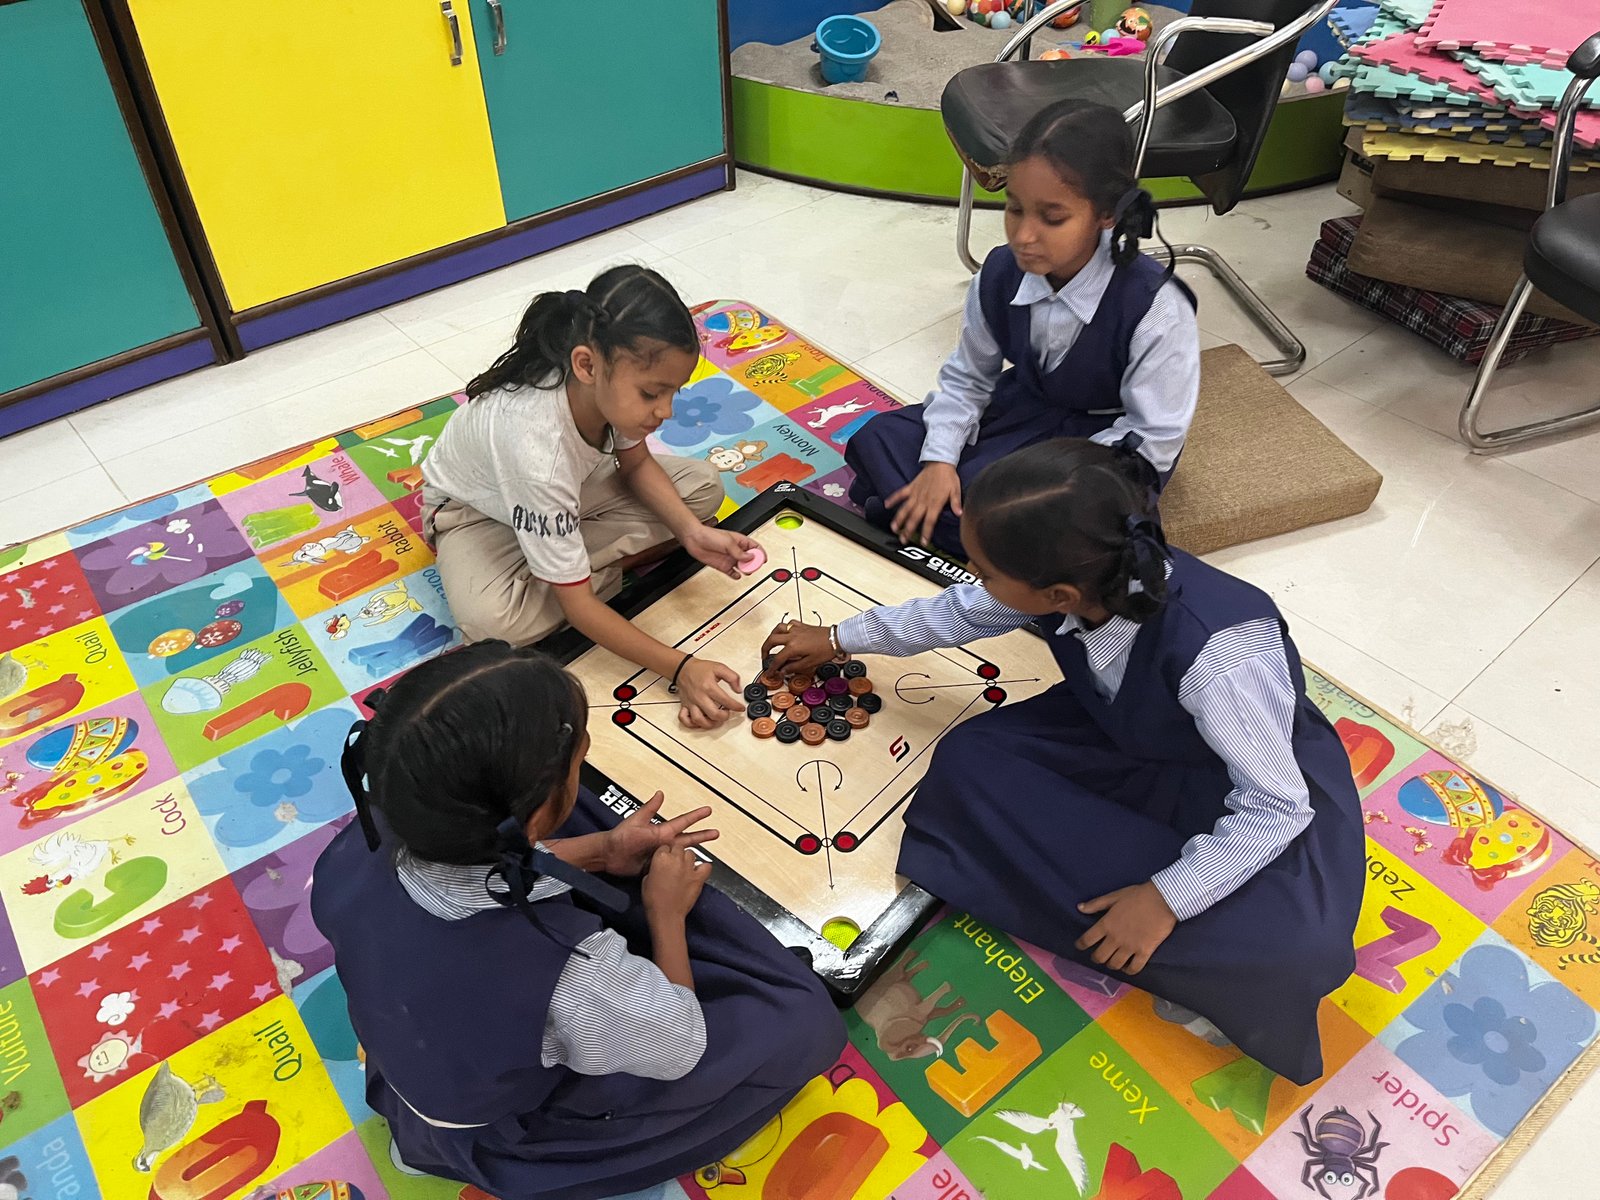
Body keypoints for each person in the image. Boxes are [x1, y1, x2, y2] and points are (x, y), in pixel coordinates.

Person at [764, 439, 1363, 1084]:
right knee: (969, 761)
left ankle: (1156, 910)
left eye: (985, 571)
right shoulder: (1076, 580)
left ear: (1057, 595)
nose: (976, 580)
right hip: (1120, 730)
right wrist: (840, 637)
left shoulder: (1223, 657)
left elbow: (1276, 806)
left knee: (1295, 952)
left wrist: (1167, 898)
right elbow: (959, 612)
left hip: (1242, 781)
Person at [311, 642, 845, 1200]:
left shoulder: (363, 838)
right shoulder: (572, 978)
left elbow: (470, 874)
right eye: (579, 757)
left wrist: (602, 850)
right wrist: (665, 914)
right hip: (503, 1128)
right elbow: (678, 1042)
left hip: (420, 1052)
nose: (582, 763)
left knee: (588, 818)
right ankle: (476, 1161)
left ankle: (426, 1139)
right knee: (804, 1022)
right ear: (538, 813)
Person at [845, 99, 1200, 559]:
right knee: (878, 437)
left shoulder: (1157, 308)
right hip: (1024, 409)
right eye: (1014, 209)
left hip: (1104, 451)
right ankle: (959, 530)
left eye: (1052, 218)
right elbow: (968, 379)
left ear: (1107, 214)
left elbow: (1155, 438)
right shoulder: (999, 273)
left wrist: (1039, 485)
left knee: (1037, 516)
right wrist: (939, 461)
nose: (1023, 235)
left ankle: (921, 518)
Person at [422, 265, 760, 728]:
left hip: (568, 492)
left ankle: (565, 566)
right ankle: (574, 570)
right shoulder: (538, 452)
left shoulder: (605, 388)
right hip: (476, 514)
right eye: (652, 394)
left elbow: (635, 464)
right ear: (586, 365)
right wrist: (681, 667)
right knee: (494, 626)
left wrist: (690, 534)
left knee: (702, 487)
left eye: (673, 393)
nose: (664, 411)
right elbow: (579, 610)